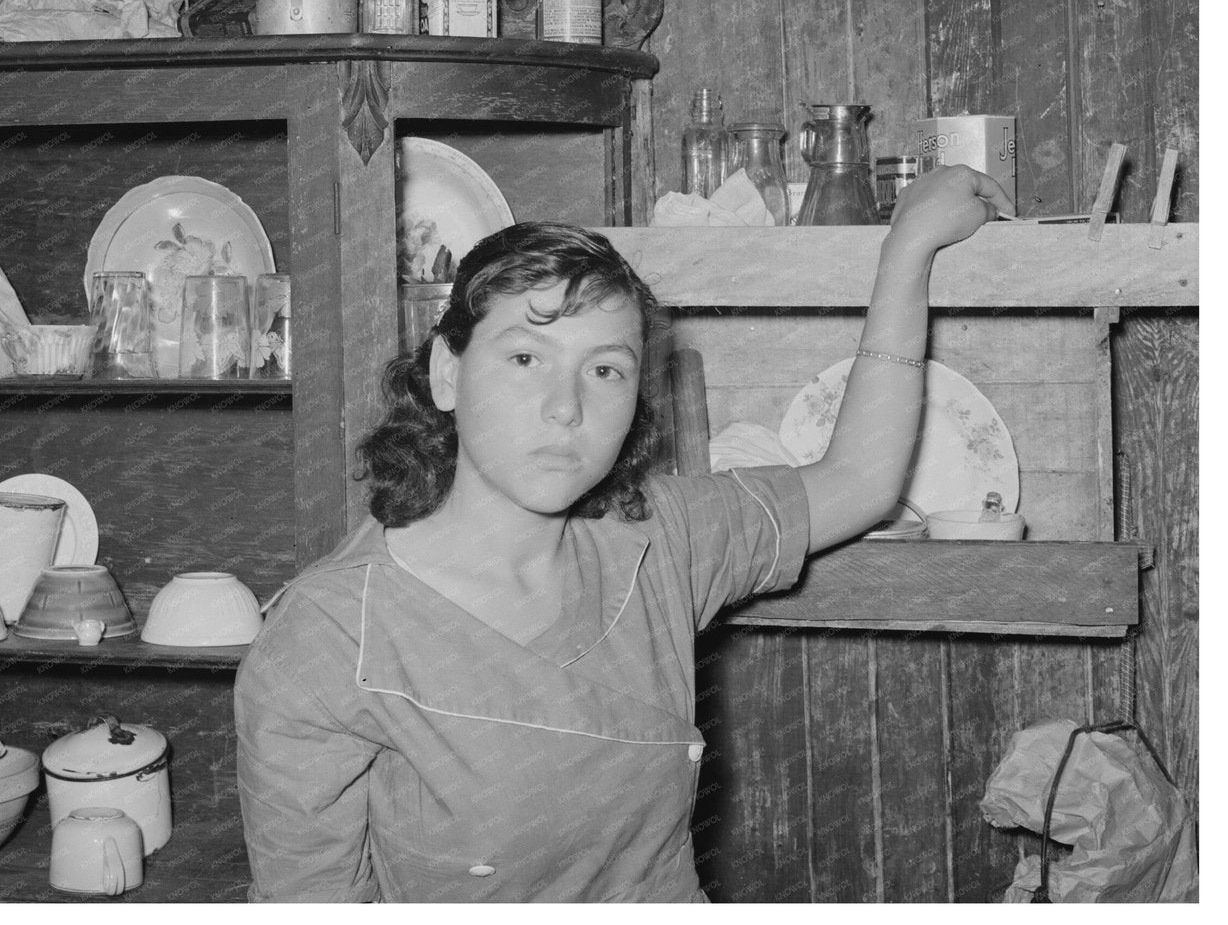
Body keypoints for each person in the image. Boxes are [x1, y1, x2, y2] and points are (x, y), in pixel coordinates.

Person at [234, 165, 1013, 902]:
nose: (566, 407)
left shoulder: (658, 537)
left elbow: (859, 481)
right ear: (447, 373)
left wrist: (907, 251)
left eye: (605, 370)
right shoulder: (331, 639)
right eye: (526, 357)